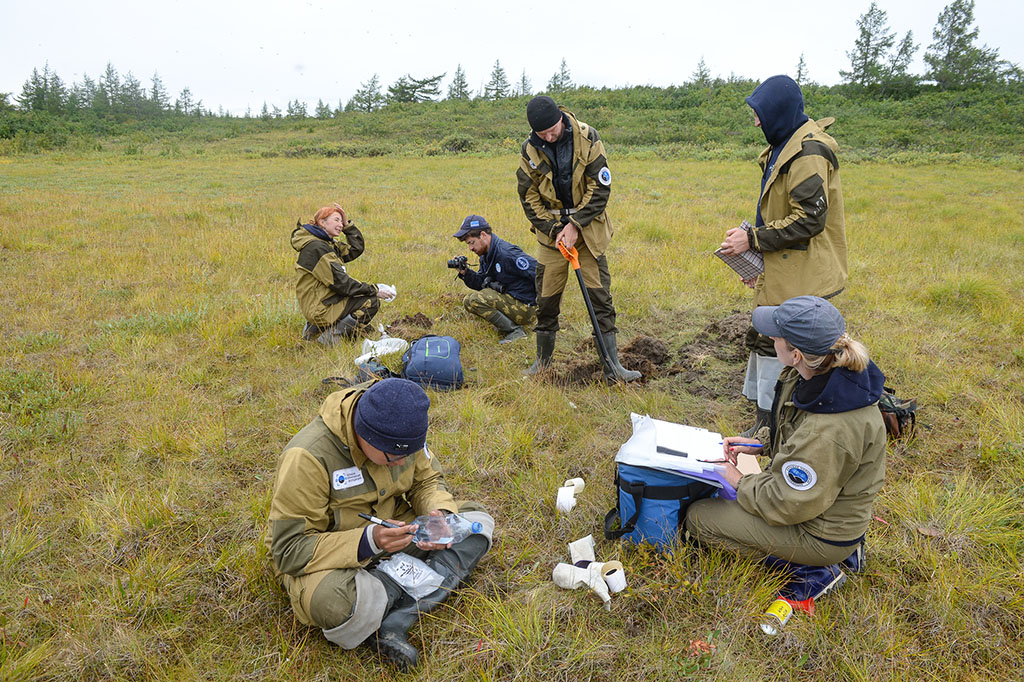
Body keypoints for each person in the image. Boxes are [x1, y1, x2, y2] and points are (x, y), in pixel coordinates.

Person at [265, 378, 493, 670]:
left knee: (475, 522)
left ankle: (398, 616)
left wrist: (438, 515)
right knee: (334, 604)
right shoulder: (307, 457)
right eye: (393, 457)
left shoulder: (404, 434)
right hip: (328, 557)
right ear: (365, 434)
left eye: (408, 455)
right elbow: (288, 550)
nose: (401, 462)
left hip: (397, 532)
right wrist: (368, 541)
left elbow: (427, 481)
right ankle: (407, 586)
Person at [685, 296, 885, 605]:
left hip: (821, 531)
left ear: (795, 353)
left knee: (699, 519)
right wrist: (763, 442)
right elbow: (797, 429)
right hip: (821, 505)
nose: (769, 338)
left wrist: (739, 480)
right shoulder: (817, 374)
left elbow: (786, 502)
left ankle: (816, 569)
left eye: (776, 335)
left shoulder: (829, 430)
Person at [718, 75, 848, 434]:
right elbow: (777, 212)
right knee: (766, 337)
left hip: (804, 272)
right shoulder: (783, 144)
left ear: (778, 112)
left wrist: (753, 240)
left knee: (788, 345)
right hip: (783, 266)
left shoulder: (807, 152)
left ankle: (780, 422)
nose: (756, 122)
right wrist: (757, 262)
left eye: (760, 114)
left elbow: (809, 220)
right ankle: (765, 418)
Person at [516, 95, 640, 382]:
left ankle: (612, 366)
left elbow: (600, 188)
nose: (548, 136)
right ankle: (542, 364)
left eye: (552, 130)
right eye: (541, 133)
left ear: (561, 118)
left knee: (600, 297)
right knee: (545, 298)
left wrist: (574, 225)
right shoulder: (529, 150)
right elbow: (528, 195)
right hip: (552, 236)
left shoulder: (588, 137)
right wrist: (553, 229)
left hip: (588, 230)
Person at [291, 203, 394, 346]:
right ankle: (330, 337)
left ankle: (314, 331)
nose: (340, 225)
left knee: (357, 298)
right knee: (370, 301)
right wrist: (375, 290)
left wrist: (347, 225)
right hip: (320, 308)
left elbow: (355, 249)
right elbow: (342, 284)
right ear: (322, 222)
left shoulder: (325, 244)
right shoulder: (317, 248)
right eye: (336, 220)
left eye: (341, 221)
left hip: (319, 302)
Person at [451, 214, 538, 344]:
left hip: (528, 307)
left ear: (483, 236)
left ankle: (515, 332)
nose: (470, 248)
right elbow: (482, 283)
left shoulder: (506, 253)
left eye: (471, 242)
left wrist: (546, 309)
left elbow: (540, 273)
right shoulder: (486, 254)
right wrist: (465, 272)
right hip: (512, 298)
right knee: (468, 301)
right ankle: (506, 325)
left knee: (477, 299)